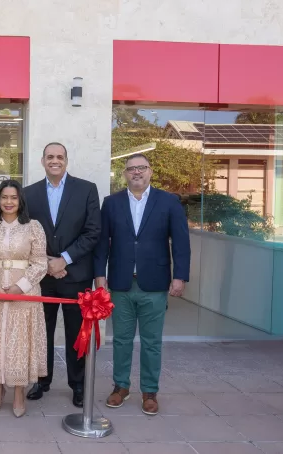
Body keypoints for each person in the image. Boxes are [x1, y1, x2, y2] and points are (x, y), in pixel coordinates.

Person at [95, 153, 190, 416]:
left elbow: (181, 242)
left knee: (151, 342)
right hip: (121, 284)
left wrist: (180, 276)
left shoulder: (169, 201)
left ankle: (149, 391)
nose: (136, 172)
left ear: (150, 171)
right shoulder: (111, 203)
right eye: (131, 169)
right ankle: (121, 387)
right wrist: (100, 276)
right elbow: (102, 243)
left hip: (155, 284)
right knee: (121, 340)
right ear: (124, 174)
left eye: (141, 168)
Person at [23, 142, 101, 408]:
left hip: (75, 274)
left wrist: (64, 259)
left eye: (59, 157)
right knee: (41, 331)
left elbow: (93, 231)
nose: (54, 161)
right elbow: (26, 233)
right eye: (50, 157)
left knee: (76, 333)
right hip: (42, 276)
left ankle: (77, 385)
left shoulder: (87, 189)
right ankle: (41, 380)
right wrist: (47, 262)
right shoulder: (29, 193)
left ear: (66, 160)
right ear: (42, 161)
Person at [0, 180, 48, 417]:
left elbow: (40, 263)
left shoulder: (33, 227)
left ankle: (18, 392)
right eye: (4, 197)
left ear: (20, 200)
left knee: (19, 343)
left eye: (13, 197)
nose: (9, 202)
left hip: (24, 295)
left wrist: (19, 287)